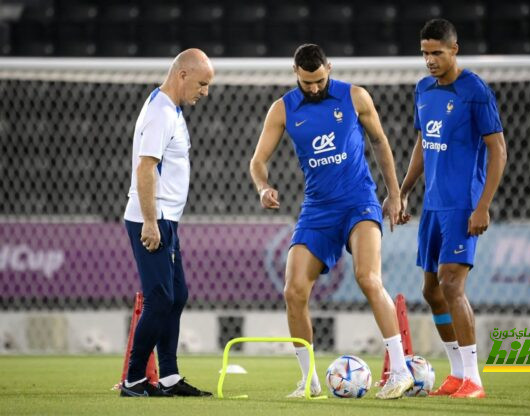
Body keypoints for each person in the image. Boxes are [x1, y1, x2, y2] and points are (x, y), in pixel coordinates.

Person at [250, 44, 414, 399]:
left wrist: (395, 194)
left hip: (359, 203)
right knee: (293, 291)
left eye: (319, 80)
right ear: (296, 72)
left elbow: (380, 141)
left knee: (368, 278)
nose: (313, 87)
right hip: (318, 209)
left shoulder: (354, 96)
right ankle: (308, 382)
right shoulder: (282, 109)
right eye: (306, 82)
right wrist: (263, 187)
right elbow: (258, 160)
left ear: (329, 68)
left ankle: (400, 371)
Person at [398, 19, 507, 399]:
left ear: (454, 49)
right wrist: (404, 190)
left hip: (463, 204)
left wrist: (483, 206)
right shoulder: (423, 90)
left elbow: (498, 149)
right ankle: (457, 372)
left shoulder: (474, 90)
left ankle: (474, 379)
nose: (429, 60)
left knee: (451, 284)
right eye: (425, 52)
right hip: (433, 204)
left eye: (437, 53)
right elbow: (423, 141)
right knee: (430, 290)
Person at [120, 48, 214, 397]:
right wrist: (149, 222)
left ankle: (170, 377)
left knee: (177, 296)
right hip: (152, 219)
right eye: (202, 83)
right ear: (183, 75)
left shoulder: (170, 108)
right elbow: (145, 168)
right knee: (160, 299)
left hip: (166, 219)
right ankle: (133, 379)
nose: (205, 92)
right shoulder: (160, 112)